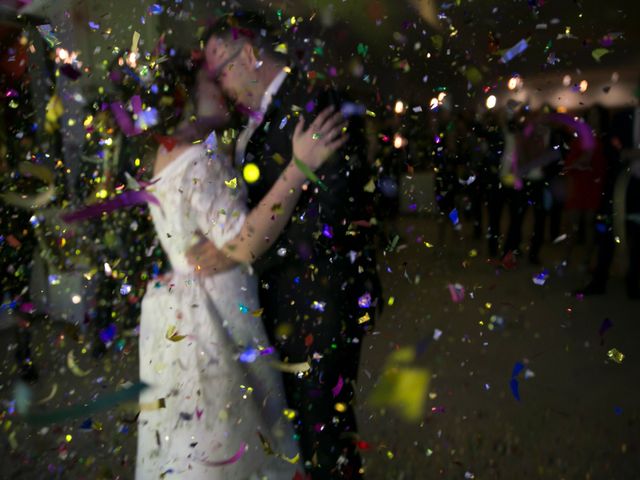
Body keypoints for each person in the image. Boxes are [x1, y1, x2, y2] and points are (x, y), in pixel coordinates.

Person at [123, 46, 347, 479]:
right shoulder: (196, 159)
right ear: (186, 97)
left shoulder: (166, 153)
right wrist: (300, 167)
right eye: (212, 84)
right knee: (233, 438)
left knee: (195, 439)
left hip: (177, 308)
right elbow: (244, 241)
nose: (223, 91)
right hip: (213, 312)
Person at [191, 12, 381, 478]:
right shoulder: (252, 120)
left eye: (222, 71)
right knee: (297, 430)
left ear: (250, 54)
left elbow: (334, 218)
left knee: (324, 433)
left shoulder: (315, 100)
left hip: (319, 298)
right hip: (280, 303)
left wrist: (243, 250)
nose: (221, 85)